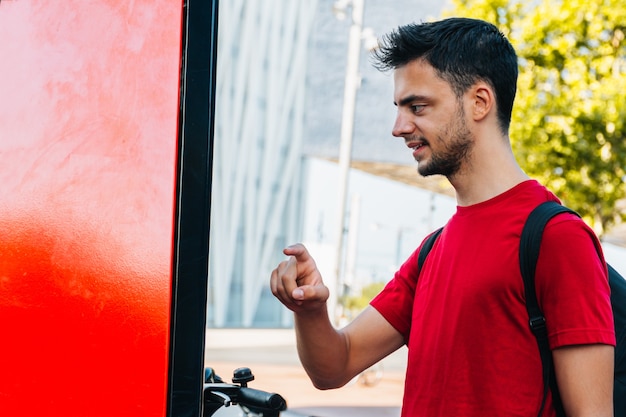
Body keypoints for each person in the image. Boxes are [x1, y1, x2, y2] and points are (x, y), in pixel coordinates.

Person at [270, 17, 615, 417]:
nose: (399, 127)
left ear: (480, 102)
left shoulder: (558, 238)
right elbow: (335, 365)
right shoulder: (432, 249)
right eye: (399, 108)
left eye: (418, 106)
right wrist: (310, 310)